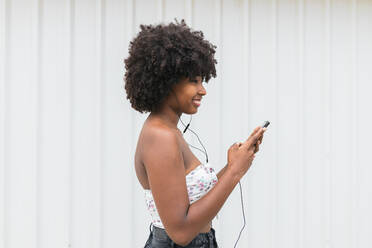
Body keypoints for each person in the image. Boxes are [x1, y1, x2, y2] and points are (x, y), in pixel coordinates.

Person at [124, 19, 266, 248]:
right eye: (194, 82)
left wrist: (233, 166)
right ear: (168, 82)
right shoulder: (160, 136)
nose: (203, 90)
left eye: (203, 81)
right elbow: (180, 232)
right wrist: (234, 173)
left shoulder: (168, 131)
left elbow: (193, 203)